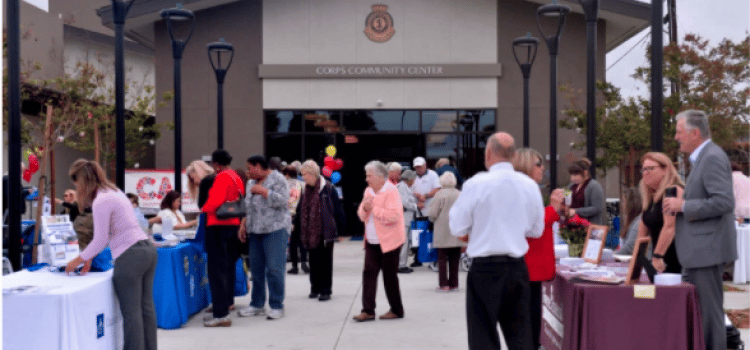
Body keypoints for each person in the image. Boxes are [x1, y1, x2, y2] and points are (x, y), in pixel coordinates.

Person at [449, 132, 544, 350]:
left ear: (489, 153)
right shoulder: (529, 186)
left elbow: (456, 225)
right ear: (513, 156)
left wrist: (472, 232)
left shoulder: (476, 184)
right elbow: (536, 230)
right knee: (520, 336)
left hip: (484, 268)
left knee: (482, 335)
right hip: (516, 267)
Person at [663, 110, 737, 350]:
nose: (676, 137)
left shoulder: (712, 157)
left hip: (706, 251)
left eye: (679, 132)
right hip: (699, 251)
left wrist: (683, 205)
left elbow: (724, 202)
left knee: (709, 315)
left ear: (695, 133)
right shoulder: (704, 157)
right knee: (702, 312)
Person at [64, 159, 157, 350]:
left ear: (83, 182)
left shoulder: (101, 201)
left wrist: (77, 260)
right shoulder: (115, 192)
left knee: (132, 314)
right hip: (147, 250)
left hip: (130, 256)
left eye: (76, 184)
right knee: (146, 309)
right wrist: (88, 258)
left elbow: (100, 239)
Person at [512, 147, 561, 350]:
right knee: (528, 314)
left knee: (530, 313)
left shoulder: (523, 189)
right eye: (539, 164)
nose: (543, 169)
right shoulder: (522, 190)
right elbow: (531, 226)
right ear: (527, 166)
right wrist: (553, 209)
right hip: (527, 264)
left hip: (529, 264)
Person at [238, 155, 290, 320]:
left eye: (250, 168)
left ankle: (276, 305)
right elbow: (248, 206)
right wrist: (243, 224)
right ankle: (257, 304)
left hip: (275, 229)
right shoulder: (251, 182)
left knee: (275, 269)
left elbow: (284, 201)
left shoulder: (278, 178)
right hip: (255, 231)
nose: (248, 171)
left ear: (259, 166)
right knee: (257, 269)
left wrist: (265, 192)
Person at [352, 161, 406, 322]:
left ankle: (396, 310)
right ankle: (368, 311)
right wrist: (365, 209)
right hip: (372, 242)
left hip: (390, 242)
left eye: (369, 176)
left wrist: (373, 208)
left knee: (389, 277)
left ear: (381, 177)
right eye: (367, 176)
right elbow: (361, 214)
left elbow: (394, 215)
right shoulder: (369, 190)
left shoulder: (391, 191)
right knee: (368, 275)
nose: (367, 179)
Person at [201, 149, 246, 327]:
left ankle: (221, 314)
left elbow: (214, 201)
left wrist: (204, 208)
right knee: (226, 268)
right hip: (232, 223)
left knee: (216, 270)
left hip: (218, 225)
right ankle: (225, 307)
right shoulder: (235, 176)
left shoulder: (222, 177)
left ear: (215, 164)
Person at [295, 160, 346, 301]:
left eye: (305, 174)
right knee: (313, 261)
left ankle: (326, 290)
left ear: (313, 174)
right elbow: (301, 211)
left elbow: (338, 210)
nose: (303, 177)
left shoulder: (328, 188)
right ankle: (315, 288)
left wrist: (341, 231)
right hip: (310, 232)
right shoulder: (305, 189)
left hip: (325, 231)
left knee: (325, 262)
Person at [636, 152, 684, 274]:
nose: (645, 172)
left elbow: (669, 227)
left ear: (665, 170)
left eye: (650, 168)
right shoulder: (651, 196)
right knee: (640, 292)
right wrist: (637, 259)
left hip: (677, 261)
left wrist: (657, 256)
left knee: (666, 293)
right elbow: (642, 233)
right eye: (644, 169)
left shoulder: (673, 191)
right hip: (660, 262)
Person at [426, 172, 464, 292]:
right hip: (457, 231)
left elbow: (432, 213)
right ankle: (454, 284)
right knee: (455, 259)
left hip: (442, 230)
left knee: (442, 259)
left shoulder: (440, 194)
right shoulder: (460, 194)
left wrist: (432, 220)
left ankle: (444, 284)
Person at [410, 156, 440, 267]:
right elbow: (409, 191)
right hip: (418, 210)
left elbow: (437, 189)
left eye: (420, 166)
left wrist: (425, 196)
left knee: (432, 234)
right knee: (417, 235)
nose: (418, 169)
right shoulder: (412, 176)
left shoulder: (433, 175)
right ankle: (418, 258)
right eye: (416, 167)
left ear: (425, 165)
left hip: (431, 210)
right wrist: (418, 199)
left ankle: (432, 258)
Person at [284, 165, 309, 274]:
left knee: (292, 242)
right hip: (300, 215)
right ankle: (304, 261)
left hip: (287, 215)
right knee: (302, 240)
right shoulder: (302, 184)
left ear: (287, 174)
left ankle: (294, 265)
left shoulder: (284, 184)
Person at [567, 158, 606, 225]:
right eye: (571, 175)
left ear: (585, 173)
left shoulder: (594, 186)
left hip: (589, 226)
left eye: (575, 175)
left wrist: (576, 211)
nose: (572, 178)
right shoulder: (570, 186)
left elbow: (597, 208)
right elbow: (566, 201)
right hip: (572, 226)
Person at [397, 170, 419, 274]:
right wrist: (416, 206)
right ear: (409, 179)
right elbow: (404, 202)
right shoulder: (402, 187)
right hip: (405, 219)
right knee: (404, 243)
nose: (414, 182)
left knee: (405, 243)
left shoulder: (404, 187)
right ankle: (401, 265)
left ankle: (402, 263)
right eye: (413, 180)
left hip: (407, 219)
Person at [613, 188, 643, 256]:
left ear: (630, 204)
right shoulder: (631, 220)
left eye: (623, 201)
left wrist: (611, 255)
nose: (622, 204)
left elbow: (628, 248)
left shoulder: (638, 222)